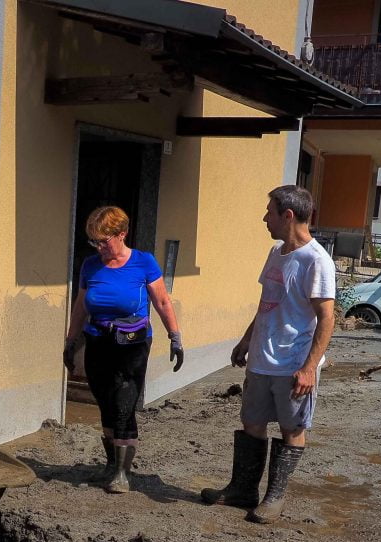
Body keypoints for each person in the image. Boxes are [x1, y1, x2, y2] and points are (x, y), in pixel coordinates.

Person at [202, 185, 335, 523]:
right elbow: (267, 304)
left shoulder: (317, 261)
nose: (265, 218)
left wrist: (308, 368)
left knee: (292, 427)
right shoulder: (277, 253)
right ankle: (242, 489)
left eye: (270, 212)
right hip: (262, 357)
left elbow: (326, 318)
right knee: (252, 421)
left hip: (293, 364)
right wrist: (247, 340)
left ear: (287, 215)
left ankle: (274, 498)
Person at [63, 206, 183, 494]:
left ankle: (121, 473)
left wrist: (175, 336)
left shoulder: (143, 262)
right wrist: (70, 340)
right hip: (98, 341)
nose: (99, 247)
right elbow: (81, 305)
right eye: (94, 241)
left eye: (104, 241)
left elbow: (163, 302)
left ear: (122, 234)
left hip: (132, 344)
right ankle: (110, 464)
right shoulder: (91, 265)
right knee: (104, 402)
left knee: (123, 404)